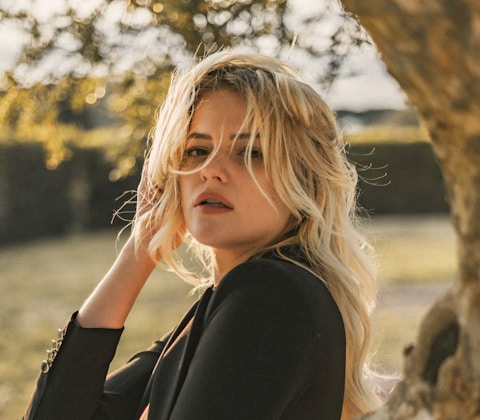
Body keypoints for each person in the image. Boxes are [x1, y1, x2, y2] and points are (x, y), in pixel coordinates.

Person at [24, 50, 381, 419]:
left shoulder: (270, 295)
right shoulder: (216, 310)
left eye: (250, 152)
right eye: (197, 150)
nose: (211, 171)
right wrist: (142, 246)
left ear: (306, 181)